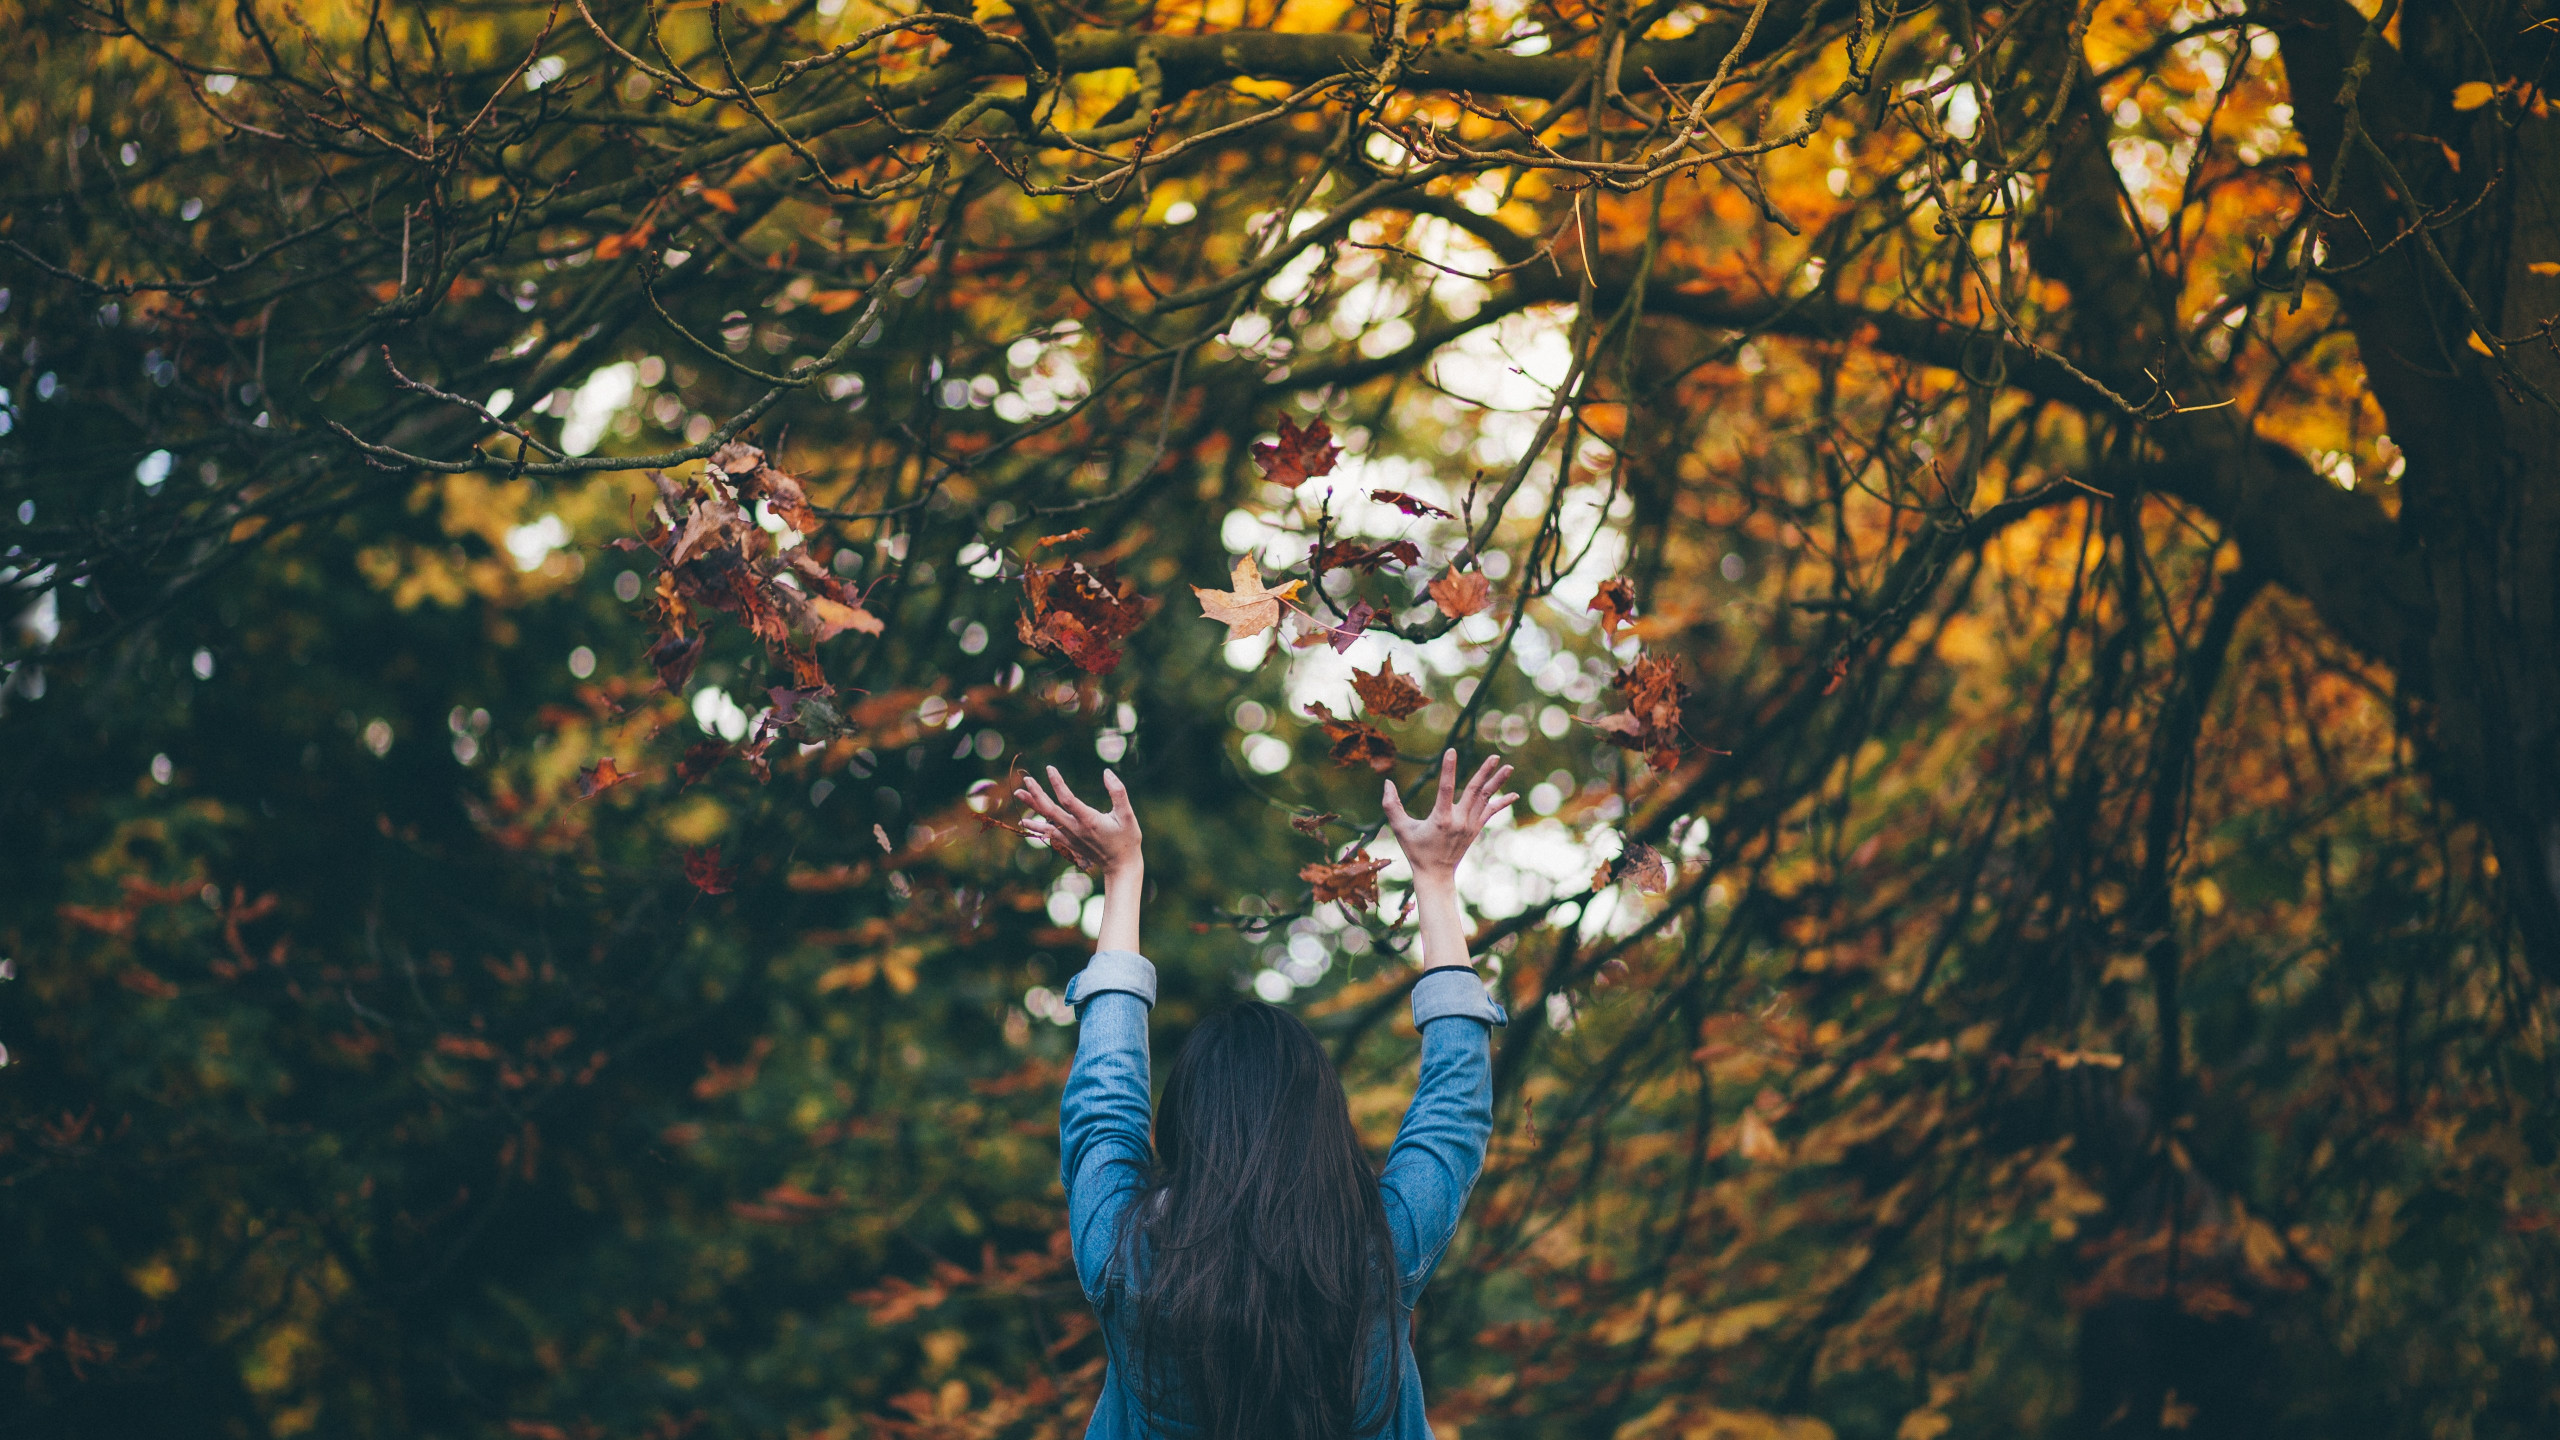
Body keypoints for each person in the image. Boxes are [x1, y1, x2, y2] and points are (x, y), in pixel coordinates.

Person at [1015, 750, 1518, 1440]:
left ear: (1186, 1126)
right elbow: (1453, 1105)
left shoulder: (1125, 1258)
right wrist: (1435, 880)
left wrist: (1122, 876)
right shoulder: (1382, 1252)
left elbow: (1106, 1101)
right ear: (1321, 1124)